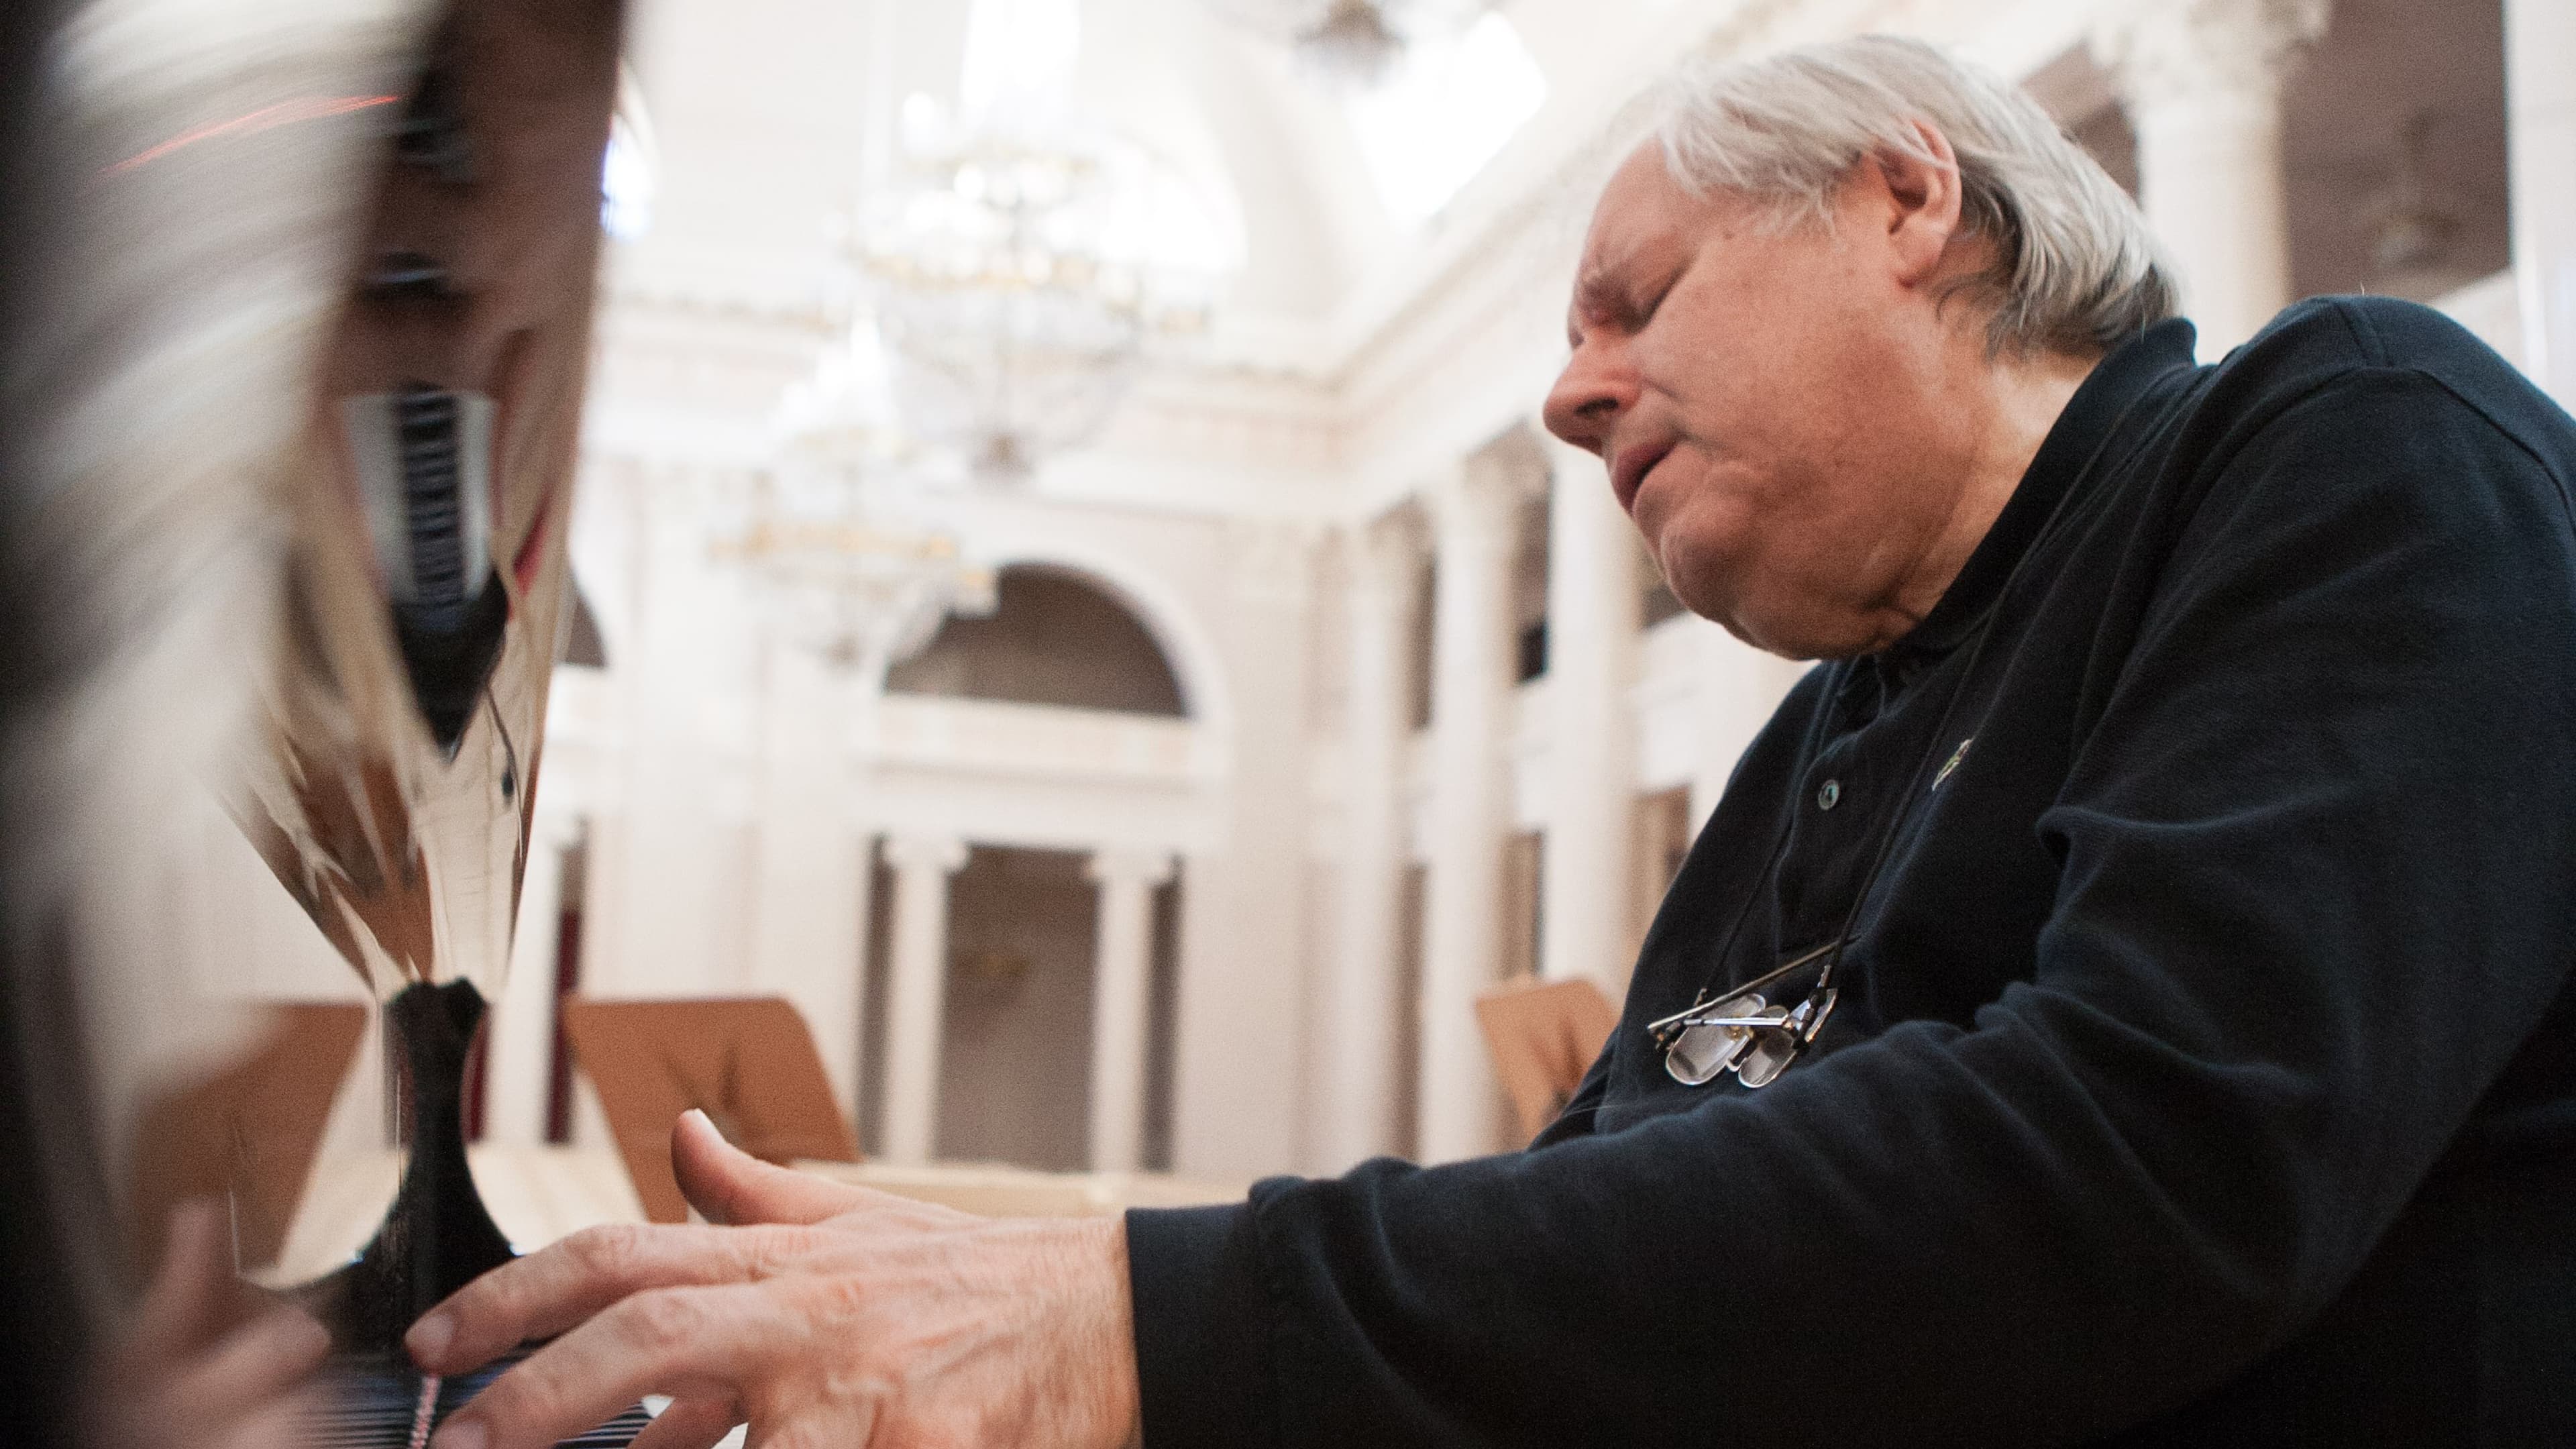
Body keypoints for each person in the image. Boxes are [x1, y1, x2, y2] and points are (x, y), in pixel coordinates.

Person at [403, 34, 2576, 1448]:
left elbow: (2144, 1170)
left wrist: (1133, 1315)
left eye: (1633, 299)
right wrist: (995, 1266)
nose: (1565, 394)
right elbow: (1606, 1235)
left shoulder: (2349, 438)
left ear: (1909, 205)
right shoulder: (1830, 722)